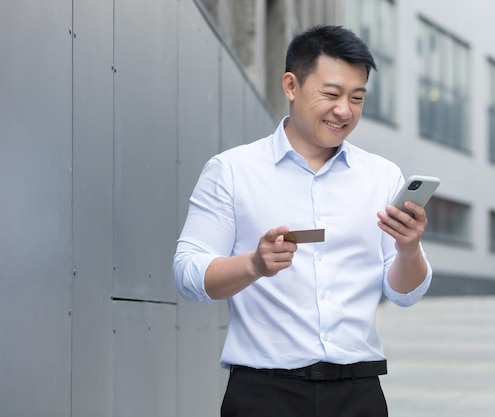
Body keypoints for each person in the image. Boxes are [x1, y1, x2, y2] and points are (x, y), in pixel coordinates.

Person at [173, 25, 432, 417]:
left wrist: (409, 249)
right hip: (263, 393)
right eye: (331, 94)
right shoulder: (232, 170)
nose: (344, 110)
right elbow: (187, 274)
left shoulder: (382, 177)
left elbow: (404, 294)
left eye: (357, 98)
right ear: (291, 85)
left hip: (358, 393)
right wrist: (253, 264)